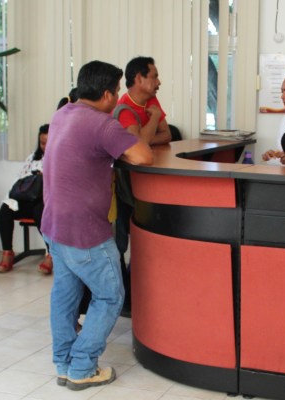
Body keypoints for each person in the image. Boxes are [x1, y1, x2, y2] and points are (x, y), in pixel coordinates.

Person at [42, 60, 153, 391]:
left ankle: (64, 364)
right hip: (84, 231)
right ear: (106, 94)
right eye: (116, 92)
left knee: (65, 296)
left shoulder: (63, 114)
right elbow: (144, 156)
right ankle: (82, 367)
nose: (117, 98)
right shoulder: (102, 124)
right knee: (110, 296)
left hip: (55, 225)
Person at [113, 56, 172, 317]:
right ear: (139, 79)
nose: (159, 82)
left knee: (143, 241)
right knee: (123, 244)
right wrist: (154, 121)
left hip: (146, 184)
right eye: (154, 76)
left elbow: (167, 135)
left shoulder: (151, 101)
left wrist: (147, 132)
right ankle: (122, 299)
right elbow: (140, 146)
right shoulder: (124, 108)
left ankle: (134, 295)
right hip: (125, 188)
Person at [0, 124, 51, 274]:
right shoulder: (32, 158)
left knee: (40, 211)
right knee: (6, 209)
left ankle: (51, 254)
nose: (45, 147)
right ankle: (7, 253)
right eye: (42, 143)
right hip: (27, 199)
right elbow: (20, 180)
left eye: (48, 142)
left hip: (45, 202)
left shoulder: (60, 158)